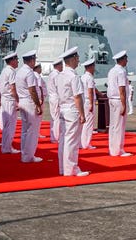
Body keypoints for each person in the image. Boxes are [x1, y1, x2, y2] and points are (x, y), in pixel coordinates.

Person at [56, 46, 89, 176]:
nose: (78, 61)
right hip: (72, 110)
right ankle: (72, 169)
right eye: (77, 58)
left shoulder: (60, 75)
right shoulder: (73, 76)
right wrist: (82, 114)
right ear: (73, 59)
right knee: (72, 141)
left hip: (63, 109)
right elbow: (77, 97)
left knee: (64, 140)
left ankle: (63, 168)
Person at [15, 50, 43, 163]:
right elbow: (32, 90)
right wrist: (38, 105)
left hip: (22, 101)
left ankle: (24, 153)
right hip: (29, 102)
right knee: (32, 131)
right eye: (34, 60)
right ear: (31, 60)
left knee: (25, 130)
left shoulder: (19, 72)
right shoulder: (29, 73)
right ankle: (29, 156)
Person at [107, 50, 132, 157]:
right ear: (122, 60)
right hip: (118, 100)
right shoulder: (121, 71)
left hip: (112, 99)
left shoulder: (112, 70)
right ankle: (119, 150)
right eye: (126, 58)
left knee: (113, 125)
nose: (127, 60)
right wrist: (124, 105)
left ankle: (112, 149)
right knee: (119, 126)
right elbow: (121, 89)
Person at [0, 52, 20, 154]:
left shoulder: (4, 71)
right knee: (10, 125)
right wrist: (18, 101)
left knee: (7, 124)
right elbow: (13, 88)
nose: (18, 61)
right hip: (10, 100)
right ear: (12, 61)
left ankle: (5, 146)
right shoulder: (11, 72)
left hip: (5, 99)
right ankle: (7, 148)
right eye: (16, 59)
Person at [81, 58, 98, 150]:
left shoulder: (83, 77)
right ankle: (87, 144)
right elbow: (90, 91)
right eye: (93, 66)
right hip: (89, 101)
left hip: (84, 101)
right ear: (90, 67)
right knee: (89, 124)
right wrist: (92, 104)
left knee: (84, 124)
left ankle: (82, 142)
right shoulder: (90, 78)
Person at [47, 58, 63, 143]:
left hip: (51, 97)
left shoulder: (51, 74)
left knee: (53, 117)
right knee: (57, 118)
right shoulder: (57, 75)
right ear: (58, 65)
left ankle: (53, 136)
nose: (62, 67)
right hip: (56, 97)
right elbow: (59, 87)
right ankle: (57, 137)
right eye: (61, 65)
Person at [33, 63, 47, 138]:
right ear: (36, 68)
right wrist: (40, 99)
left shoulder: (33, 75)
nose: (41, 69)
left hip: (36, 99)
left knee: (35, 118)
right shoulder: (37, 76)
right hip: (39, 99)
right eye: (40, 68)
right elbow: (39, 88)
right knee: (38, 118)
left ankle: (35, 132)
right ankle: (36, 132)